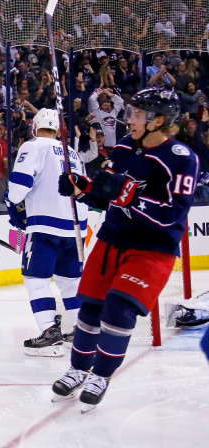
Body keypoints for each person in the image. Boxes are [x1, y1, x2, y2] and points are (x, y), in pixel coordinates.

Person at [53, 88, 198, 412]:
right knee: (90, 307)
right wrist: (82, 188)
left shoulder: (182, 158)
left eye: (136, 113)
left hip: (153, 249)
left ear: (159, 121)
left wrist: (129, 196)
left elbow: (172, 213)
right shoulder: (123, 148)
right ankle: (78, 369)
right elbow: (106, 195)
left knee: (119, 308)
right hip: (113, 238)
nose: (128, 118)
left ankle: (101, 376)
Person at [5, 108, 88, 357]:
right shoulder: (71, 152)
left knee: (36, 280)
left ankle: (50, 332)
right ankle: (79, 331)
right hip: (76, 228)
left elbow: (19, 187)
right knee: (70, 282)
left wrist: (12, 205)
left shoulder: (33, 146)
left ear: (35, 126)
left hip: (45, 227)